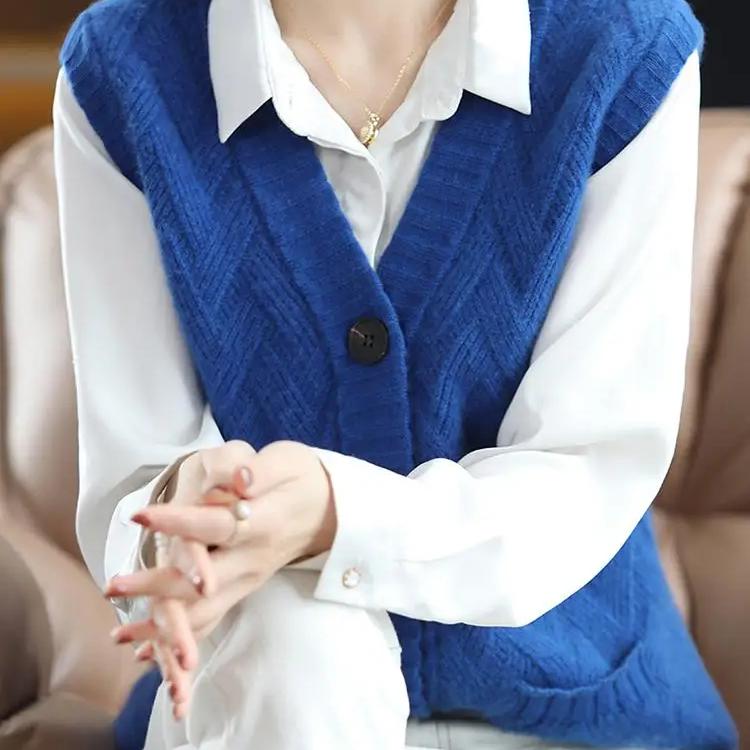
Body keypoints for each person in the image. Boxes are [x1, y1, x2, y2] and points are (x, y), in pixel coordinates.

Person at [54, 0, 736, 748]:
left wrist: (335, 514)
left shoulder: (622, 45)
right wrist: (183, 515)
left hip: (569, 707)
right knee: (292, 638)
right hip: (262, 695)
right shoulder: (124, 64)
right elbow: (134, 478)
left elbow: (589, 469)